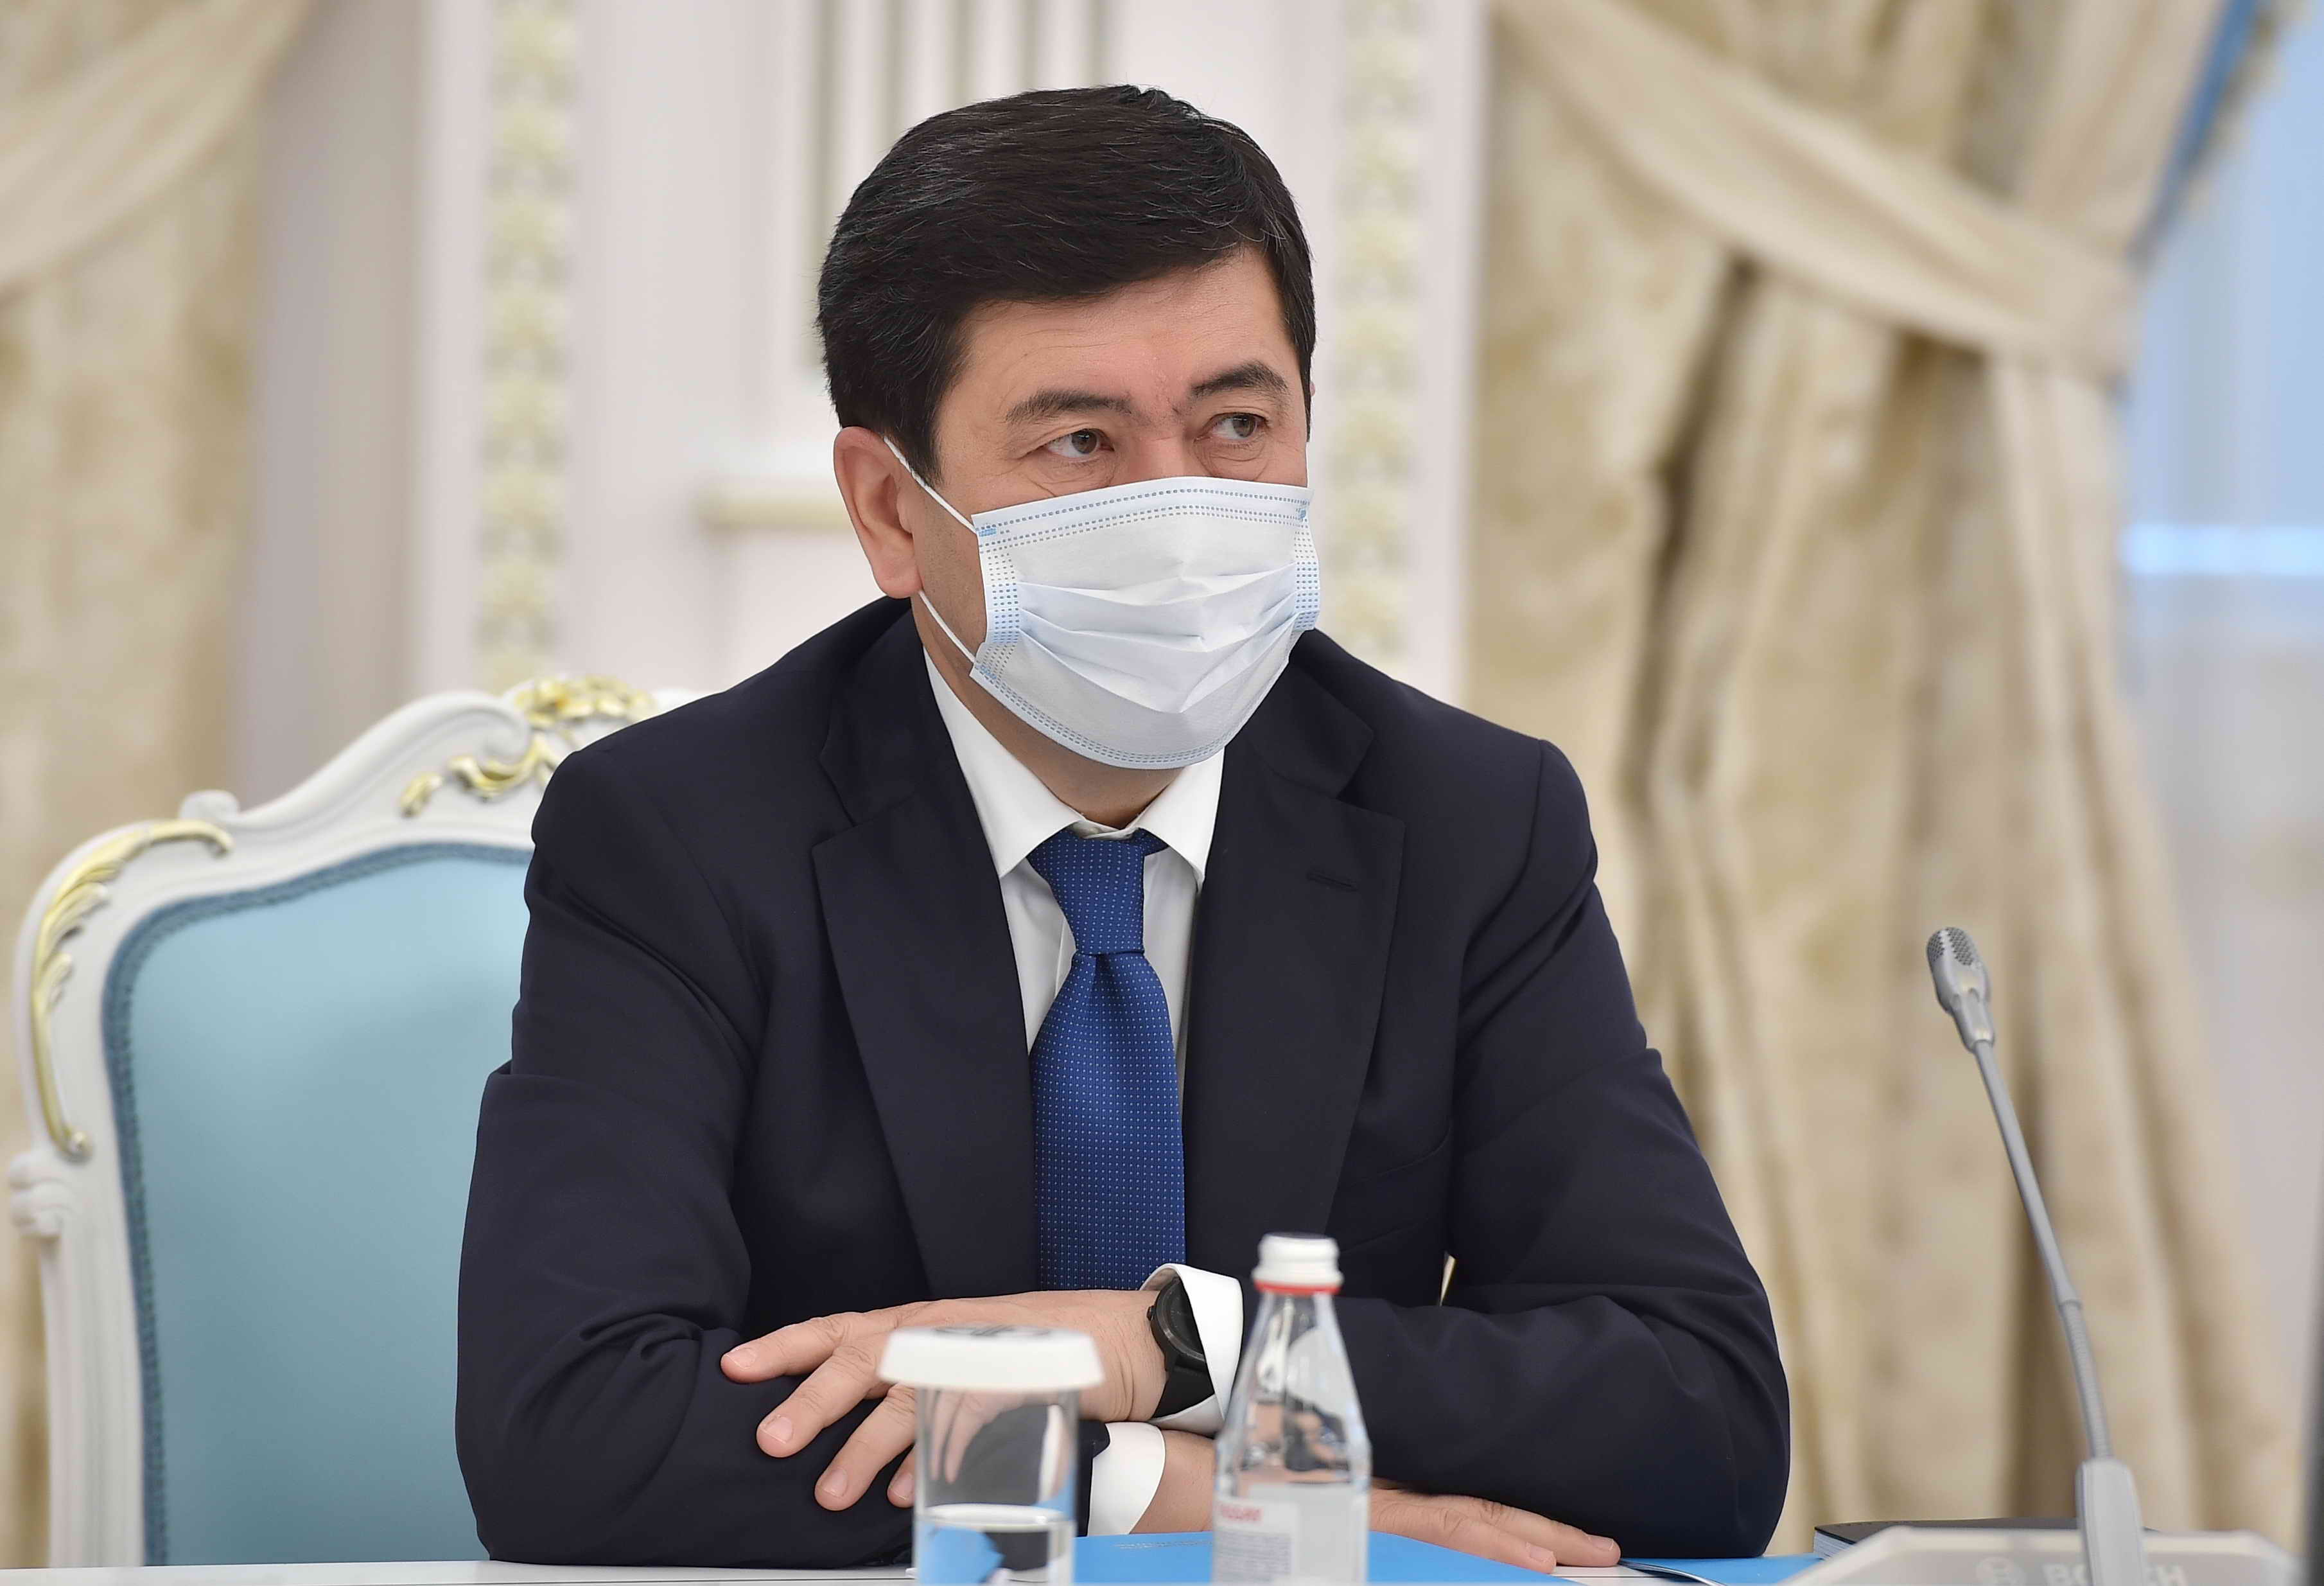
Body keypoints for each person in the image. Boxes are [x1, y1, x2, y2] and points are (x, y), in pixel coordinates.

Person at [456, 85, 1788, 1570]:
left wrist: (1167, 1344)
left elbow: (1702, 1419)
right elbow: (570, 1435)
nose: (1179, 512)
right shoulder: (683, 833)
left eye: (1236, 424)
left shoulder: (1468, 820)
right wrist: (1158, 1483)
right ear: (891, 509)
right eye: (1082, 442)